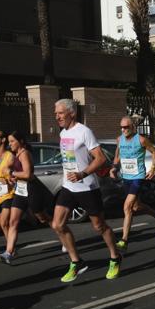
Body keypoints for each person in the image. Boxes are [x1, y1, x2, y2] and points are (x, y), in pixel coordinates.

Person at [51, 99, 122, 282]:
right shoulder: (63, 133)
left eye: (60, 113)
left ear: (71, 113)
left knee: (99, 226)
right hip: (69, 186)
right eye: (56, 113)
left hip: (87, 186)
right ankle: (77, 262)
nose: (56, 116)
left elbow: (100, 159)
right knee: (57, 224)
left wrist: (82, 174)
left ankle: (115, 257)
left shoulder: (84, 132)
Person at [0, 131, 54, 264]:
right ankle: (9, 253)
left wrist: (11, 172)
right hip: (20, 192)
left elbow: (28, 174)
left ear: (21, 141)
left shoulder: (25, 154)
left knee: (43, 218)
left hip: (32, 190)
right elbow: (15, 171)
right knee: (13, 221)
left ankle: (62, 233)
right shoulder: (16, 155)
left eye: (12, 141)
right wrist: (11, 178)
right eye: (9, 142)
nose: (10, 144)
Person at [112, 116, 155, 252]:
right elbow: (117, 155)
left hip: (138, 177)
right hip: (126, 177)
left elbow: (154, 152)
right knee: (135, 207)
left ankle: (124, 239)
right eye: (122, 127)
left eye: (126, 127)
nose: (124, 130)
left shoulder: (141, 140)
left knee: (127, 207)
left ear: (133, 127)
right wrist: (113, 167)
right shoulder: (119, 139)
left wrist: (152, 168)